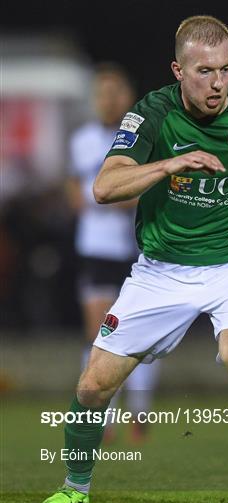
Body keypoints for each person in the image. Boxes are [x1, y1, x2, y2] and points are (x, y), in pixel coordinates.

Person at [40, 15, 228, 503]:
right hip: (162, 269)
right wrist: (171, 163)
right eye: (204, 71)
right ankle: (75, 488)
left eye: (226, 69)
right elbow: (104, 187)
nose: (218, 83)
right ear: (178, 69)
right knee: (93, 384)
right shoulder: (153, 114)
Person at [66, 63, 160, 443]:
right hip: (95, 247)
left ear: (127, 97)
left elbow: (144, 189)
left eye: (115, 92)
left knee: (140, 334)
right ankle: (100, 415)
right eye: (102, 92)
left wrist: (122, 197)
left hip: (136, 247)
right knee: (99, 332)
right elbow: (76, 190)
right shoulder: (82, 140)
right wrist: (106, 198)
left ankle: (140, 412)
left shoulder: (140, 136)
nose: (109, 99)